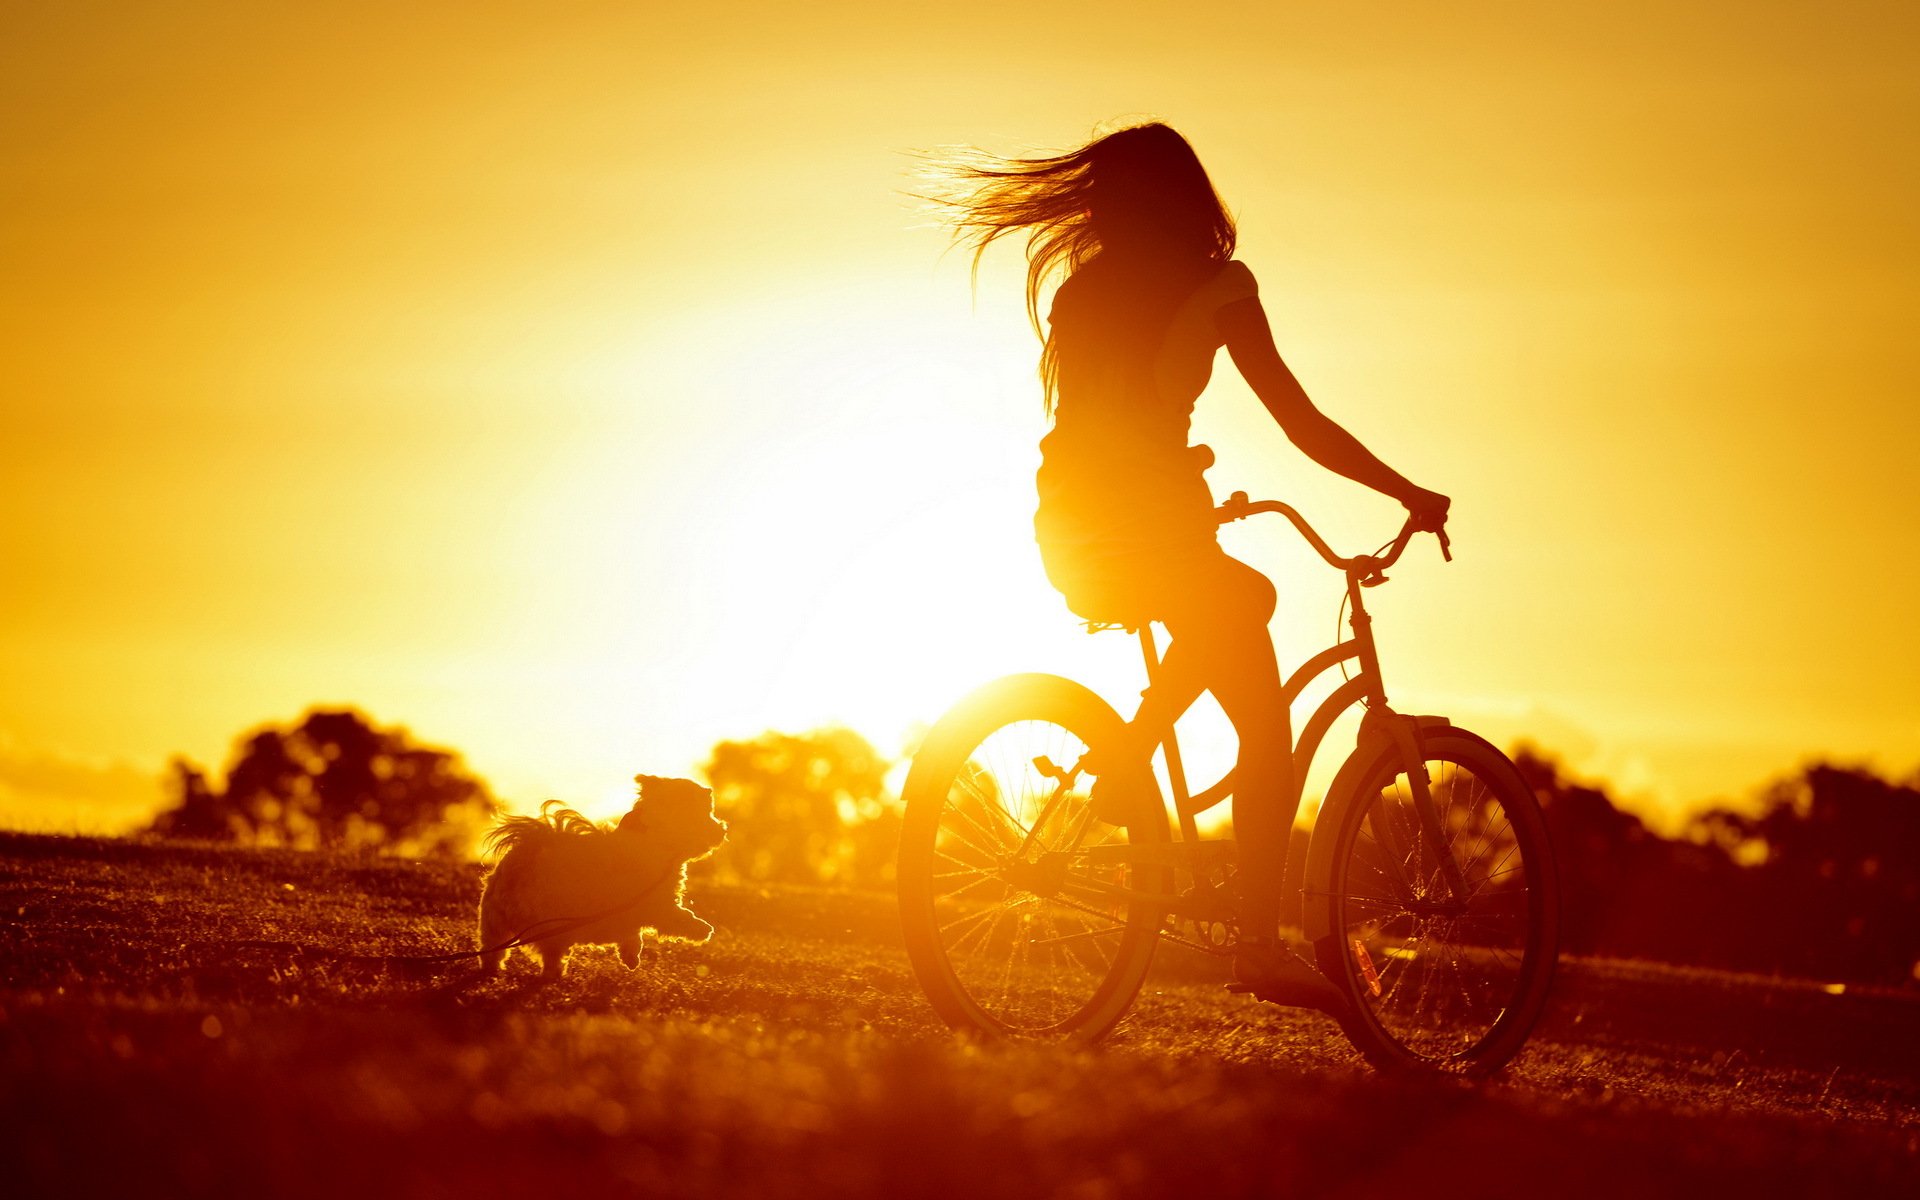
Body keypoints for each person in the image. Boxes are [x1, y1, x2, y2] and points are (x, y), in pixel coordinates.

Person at [935, 121, 1450, 1013]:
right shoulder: (1221, 286)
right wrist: (1408, 492)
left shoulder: (1081, 294)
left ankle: (1127, 757)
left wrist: (1183, 480)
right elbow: (1300, 422)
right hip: (1152, 527)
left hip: (1071, 531)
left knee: (1242, 595)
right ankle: (1257, 945)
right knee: (1262, 720)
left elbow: (1100, 433)